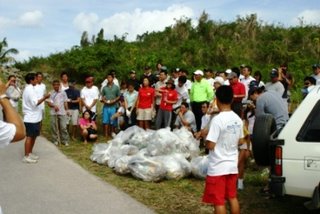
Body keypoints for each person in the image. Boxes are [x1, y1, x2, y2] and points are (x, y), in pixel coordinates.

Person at [203, 85, 244, 214]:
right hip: (232, 165)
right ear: (232, 100)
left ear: (216, 100)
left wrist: (205, 140)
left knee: (219, 201)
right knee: (232, 197)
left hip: (218, 167)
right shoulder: (237, 119)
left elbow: (210, 145)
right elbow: (241, 140)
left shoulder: (217, 120)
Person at [22, 73, 50, 163]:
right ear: (31, 80)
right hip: (31, 117)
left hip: (35, 117)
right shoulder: (29, 89)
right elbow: (35, 103)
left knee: (34, 136)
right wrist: (45, 97)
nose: (37, 80)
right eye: (35, 79)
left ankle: (30, 153)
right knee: (30, 136)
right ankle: (26, 156)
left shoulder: (31, 88)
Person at [0, 79, 25, 148]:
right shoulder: (7, 87)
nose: (13, 82)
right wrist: (2, 96)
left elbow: (19, 94)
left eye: (14, 81)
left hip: (13, 105)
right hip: (8, 104)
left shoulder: (16, 87)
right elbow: (20, 132)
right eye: (12, 80)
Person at [47, 80, 70, 146]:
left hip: (62, 112)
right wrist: (54, 106)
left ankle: (64, 140)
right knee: (53, 126)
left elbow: (65, 102)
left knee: (63, 127)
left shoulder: (63, 93)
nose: (56, 86)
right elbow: (49, 103)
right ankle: (55, 140)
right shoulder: (50, 93)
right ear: (53, 85)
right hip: (53, 112)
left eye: (57, 84)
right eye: (55, 85)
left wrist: (67, 110)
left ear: (59, 85)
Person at [101, 73, 120, 139]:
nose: (109, 79)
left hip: (113, 106)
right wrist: (104, 100)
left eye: (110, 77)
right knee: (105, 121)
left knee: (112, 121)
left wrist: (114, 100)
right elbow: (102, 96)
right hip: (106, 106)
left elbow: (119, 96)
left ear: (113, 78)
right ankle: (106, 134)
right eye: (108, 78)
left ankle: (111, 133)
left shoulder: (116, 87)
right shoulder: (104, 87)